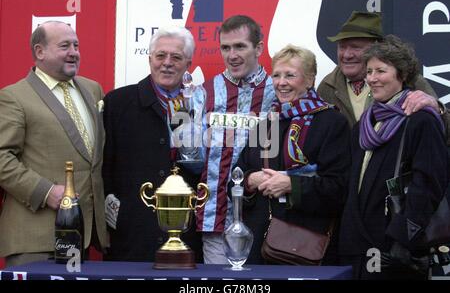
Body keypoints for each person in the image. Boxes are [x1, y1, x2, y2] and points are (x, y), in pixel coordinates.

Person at [339, 35, 448, 279]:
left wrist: (402, 238)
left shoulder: (422, 121)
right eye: (369, 71)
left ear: (402, 74)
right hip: (358, 248)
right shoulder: (364, 124)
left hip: (395, 251)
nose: (372, 78)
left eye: (381, 71)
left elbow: (429, 185)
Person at [0, 21, 108, 267]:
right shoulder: (13, 97)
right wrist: (46, 191)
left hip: (85, 237)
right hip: (36, 240)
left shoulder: (93, 90)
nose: (74, 52)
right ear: (40, 52)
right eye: (64, 46)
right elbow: (1, 158)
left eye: (76, 45)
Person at [233, 44, 351, 264]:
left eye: (290, 75)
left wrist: (291, 185)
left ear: (309, 79)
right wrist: (250, 180)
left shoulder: (332, 122)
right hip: (261, 246)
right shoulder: (267, 124)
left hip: (308, 246)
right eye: (276, 75)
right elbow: (237, 177)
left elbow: (339, 188)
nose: (281, 82)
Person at [102, 26, 203, 262]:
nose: (167, 63)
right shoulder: (117, 103)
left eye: (176, 57)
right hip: (131, 235)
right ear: (149, 59)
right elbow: (103, 169)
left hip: (188, 235)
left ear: (188, 63)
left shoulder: (201, 104)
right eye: (160, 56)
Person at [191, 15, 276, 264]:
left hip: (265, 219)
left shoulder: (277, 92)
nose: (232, 55)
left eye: (240, 46)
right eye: (226, 48)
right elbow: (191, 159)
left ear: (258, 48)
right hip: (216, 216)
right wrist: (181, 129)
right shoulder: (203, 93)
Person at [317, 11, 450, 142]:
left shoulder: (408, 79)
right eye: (342, 47)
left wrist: (436, 108)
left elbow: (445, 131)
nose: (347, 55)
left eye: (355, 47)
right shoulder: (327, 86)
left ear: (376, 48)